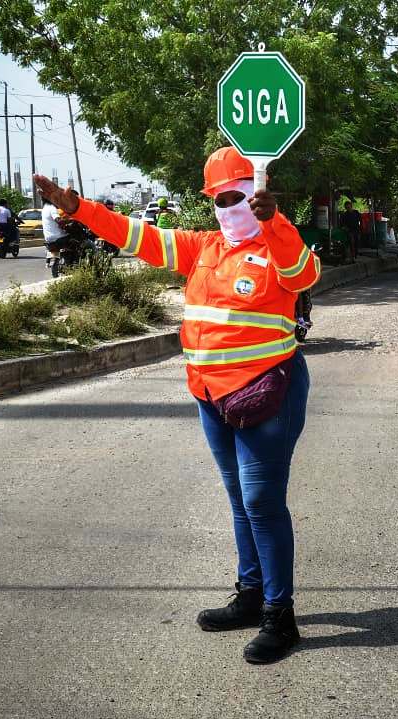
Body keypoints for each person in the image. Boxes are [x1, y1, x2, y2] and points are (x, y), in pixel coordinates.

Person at [32, 146, 320, 665]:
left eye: (236, 196)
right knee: (238, 501)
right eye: (218, 199)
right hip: (210, 394)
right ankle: (252, 595)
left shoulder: (278, 245)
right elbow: (133, 235)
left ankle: (282, 615)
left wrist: (274, 221)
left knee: (261, 503)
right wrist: (77, 207)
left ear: (257, 195)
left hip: (264, 394)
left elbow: (303, 276)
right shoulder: (202, 248)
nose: (228, 207)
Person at [41, 200, 70, 271]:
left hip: (48, 238)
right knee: (74, 239)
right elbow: (58, 220)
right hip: (58, 237)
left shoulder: (44, 208)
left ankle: (51, 261)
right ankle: (70, 260)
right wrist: (69, 221)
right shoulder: (52, 208)